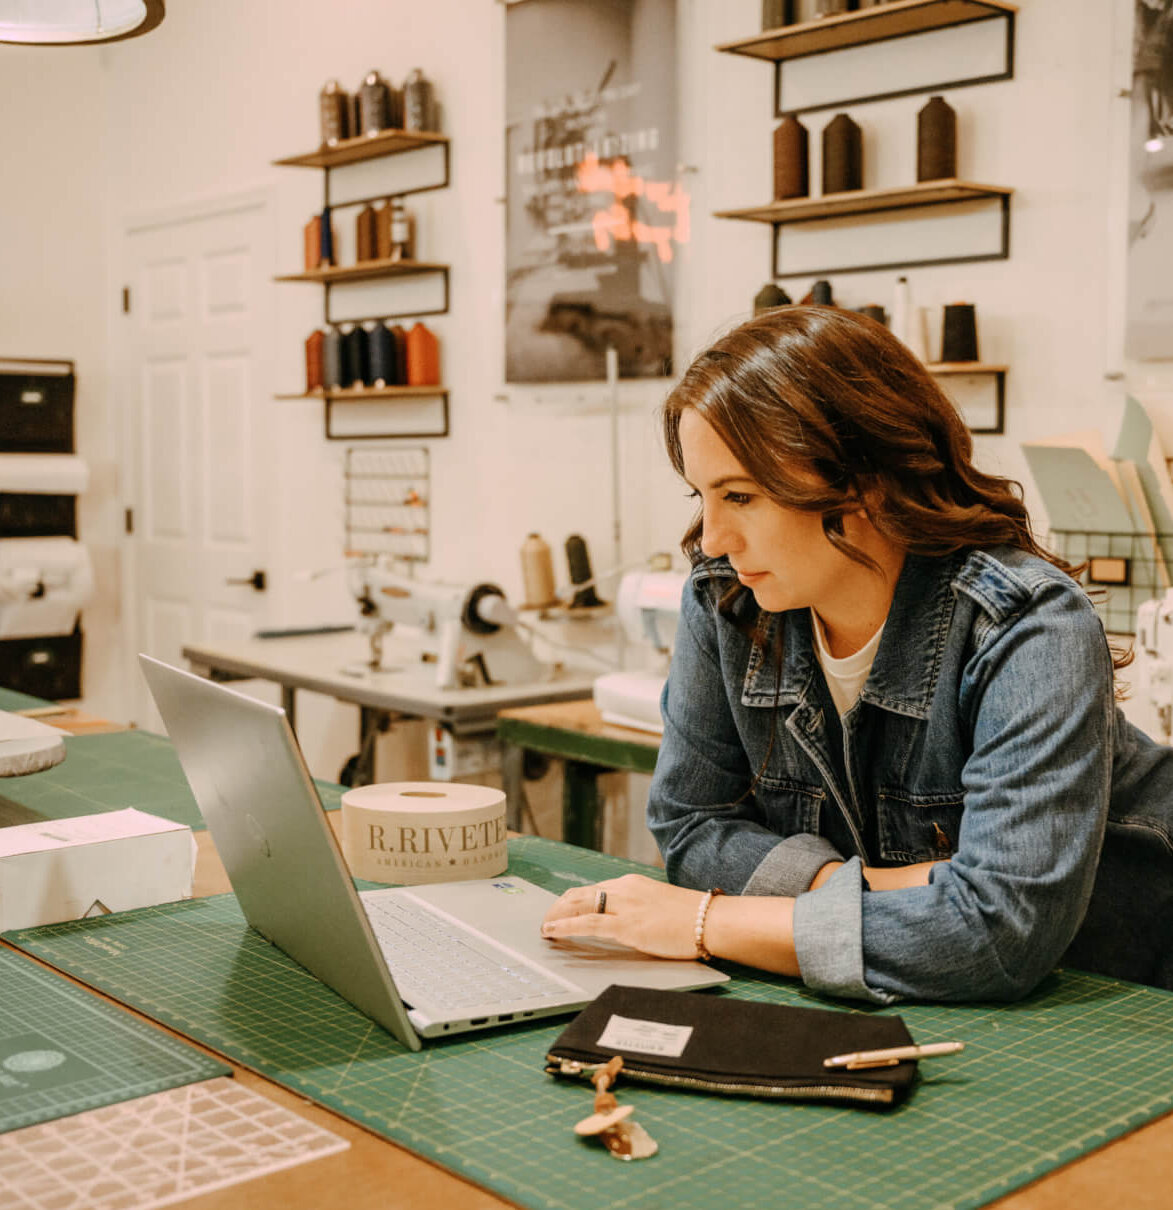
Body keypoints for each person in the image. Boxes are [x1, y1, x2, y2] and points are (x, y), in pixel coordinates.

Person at [541, 305, 1173, 1002]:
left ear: (863, 481)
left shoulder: (1025, 625)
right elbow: (689, 825)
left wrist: (703, 920)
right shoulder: (726, 600)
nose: (713, 537)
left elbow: (999, 934)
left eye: (741, 496)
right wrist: (865, 889)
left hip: (1117, 993)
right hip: (925, 986)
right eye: (703, 495)